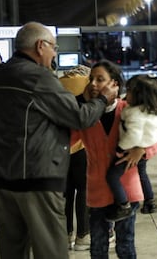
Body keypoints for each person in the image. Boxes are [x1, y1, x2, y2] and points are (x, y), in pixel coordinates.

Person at [0, 21, 118, 259]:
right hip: (36, 179)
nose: (55, 53)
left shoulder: (1, 75)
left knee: (12, 251)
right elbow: (79, 119)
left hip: (2, 179)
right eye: (53, 48)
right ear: (40, 46)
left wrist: (78, 100)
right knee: (51, 251)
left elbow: (38, 116)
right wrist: (103, 100)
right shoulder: (39, 77)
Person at [72, 59, 157, 258]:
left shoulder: (129, 108)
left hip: (127, 189)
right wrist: (81, 100)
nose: (93, 84)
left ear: (114, 83)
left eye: (100, 79)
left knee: (125, 246)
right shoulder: (86, 114)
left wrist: (142, 151)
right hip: (97, 189)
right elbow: (69, 139)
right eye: (91, 79)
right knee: (97, 247)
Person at [106, 74, 157, 221]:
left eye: (129, 91)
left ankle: (123, 205)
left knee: (112, 176)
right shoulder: (151, 111)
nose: (126, 94)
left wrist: (120, 149)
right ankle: (150, 201)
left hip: (129, 151)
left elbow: (133, 135)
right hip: (141, 149)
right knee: (142, 174)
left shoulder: (134, 113)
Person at [59, 64, 91, 251]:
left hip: (62, 146)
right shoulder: (87, 83)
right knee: (84, 190)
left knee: (66, 193)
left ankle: (64, 235)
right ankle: (83, 236)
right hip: (82, 145)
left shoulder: (58, 84)